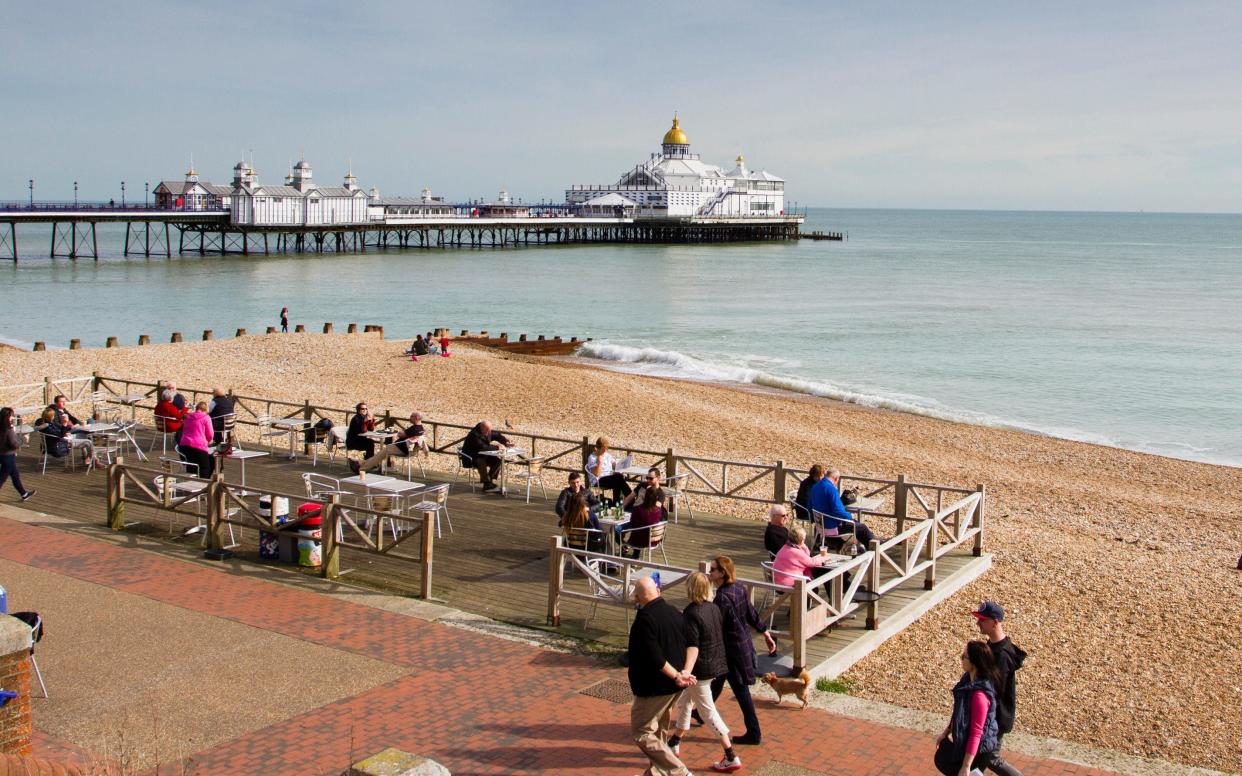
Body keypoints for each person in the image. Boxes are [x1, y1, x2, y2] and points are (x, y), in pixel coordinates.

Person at [668, 571, 742, 773]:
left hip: (700, 670)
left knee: (707, 712)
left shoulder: (691, 613)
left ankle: (730, 754)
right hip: (715, 663)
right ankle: (675, 741)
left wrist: (685, 672)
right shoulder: (713, 608)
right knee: (685, 702)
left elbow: (693, 646)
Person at [627, 576, 693, 776]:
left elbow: (654, 656)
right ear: (658, 591)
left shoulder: (645, 618)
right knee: (659, 730)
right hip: (673, 686)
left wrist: (676, 676)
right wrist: (685, 672)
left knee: (641, 730)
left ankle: (679, 771)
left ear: (638, 597)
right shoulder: (674, 612)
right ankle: (657, 771)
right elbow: (692, 643)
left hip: (655, 686)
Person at [708, 555, 776, 745]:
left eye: (713, 569)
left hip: (732, 650)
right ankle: (700, 712)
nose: (710, 572)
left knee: (741, 691)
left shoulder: (721, 597)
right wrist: (765, 632)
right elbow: (751, 612)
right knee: (718, 681)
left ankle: (754, 732)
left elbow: (715, 626)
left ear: (722, 573)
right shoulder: (738, 588)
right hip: (742, 644)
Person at [972, 602, 1027, 776]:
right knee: (979, 757)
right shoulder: (993, 647)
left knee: (991, 757)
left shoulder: (1002, 655)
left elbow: (994, 690)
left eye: (982, 620)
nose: (977, 623)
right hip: (993, 715)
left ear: (995, 622)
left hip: (997, 716)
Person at [934, 640, 1002, 776]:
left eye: (964, 657)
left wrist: (966, 766)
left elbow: (976, 733)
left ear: (974, 663)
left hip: (978, 752)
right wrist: (946, 732)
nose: (961, 659)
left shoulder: (979, 696)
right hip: (969, 746)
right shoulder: (967, 681)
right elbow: (959, 713)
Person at [810, 466, 875, 549]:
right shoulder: (831, 489)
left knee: (857, 525)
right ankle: (874, 549)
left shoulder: (815, 486)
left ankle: (865, 547)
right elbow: (838, 511)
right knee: (862, 528)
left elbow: (810, 505)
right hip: (831, 527)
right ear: (836, 478)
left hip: (820, 525)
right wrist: (849, 517)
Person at [350, 412, 428, 474]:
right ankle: (364, 464)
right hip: (412, 451)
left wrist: (398, 432)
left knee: (381, 453)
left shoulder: (414, 429)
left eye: (411, 416)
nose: (409, 418)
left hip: (402, 449)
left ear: (416, 418)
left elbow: (400, 435)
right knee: (379, 454)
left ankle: (361, 468)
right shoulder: (421, 429)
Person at [771, 525, 836, 586]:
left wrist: (804, 547)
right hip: (791, 583)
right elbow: (811, 562)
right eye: (804, 539)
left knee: (818, 573)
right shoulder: (796, 552)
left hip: (777, 582)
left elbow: (806, 557)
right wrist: (824, 558)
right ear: (801, 540)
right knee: (816, 585)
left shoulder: (785, 547)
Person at [461, 420, 511, 492]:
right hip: (471, 457)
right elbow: (483, 447)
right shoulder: (474, 434)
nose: (489, 432)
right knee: (481, 462)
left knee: (498, 460)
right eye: (487, 430)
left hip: (482, 455)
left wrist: (505, 442)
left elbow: (497, 436)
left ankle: (490, 481)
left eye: (490, 430)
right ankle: (487, 483)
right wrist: (497, 447)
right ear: (482, 427)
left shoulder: (487, 430)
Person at [618, 482, 666, 556]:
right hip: (654, 540)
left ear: (644, 497)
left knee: (618, 529)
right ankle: (634, 556)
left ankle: (624, 547)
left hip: (639, 540)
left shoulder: (638, 509)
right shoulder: (659, 510)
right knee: (639, 529)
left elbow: (633, 524)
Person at [0, 408, 35, 502]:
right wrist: (23, 439)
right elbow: (13, 444)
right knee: (2, 478)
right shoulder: (8, 429)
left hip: (2, 455)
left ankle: (24, 494)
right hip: (8, 456)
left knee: (15, 475)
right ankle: (24, 494)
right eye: (11, 415)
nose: (12, 417)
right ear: (8, 417)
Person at [586, 436, 631, 502]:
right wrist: (599, 462)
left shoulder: (607, 455)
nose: (605, 450)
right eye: (603, 449)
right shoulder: (592, 458)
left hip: (609, 478)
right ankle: (631, 498)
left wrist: (621, 464)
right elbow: (597, 474)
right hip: (598, 480)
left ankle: (617, 504)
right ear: (598, 448)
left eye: (606, 449)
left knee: (618, 480)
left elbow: (614, 464)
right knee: (618, 478)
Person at [177, 401, 215, 478]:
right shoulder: (206, 418)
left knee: (193, 463)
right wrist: (209, 441)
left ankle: (192, 479)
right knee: (206, 466)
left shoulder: (188, 417)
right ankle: (204, 483)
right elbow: (210, 434)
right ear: (206, 410)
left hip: (184, 446)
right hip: (198, 445)